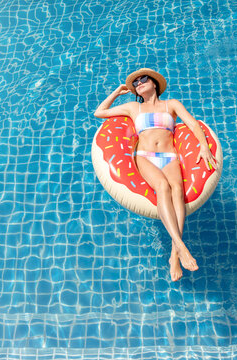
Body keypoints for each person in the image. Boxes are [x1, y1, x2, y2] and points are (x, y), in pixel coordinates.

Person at [94, 68, 218, 282]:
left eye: (143, 79)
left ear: (154, 83)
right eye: (136, 83)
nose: (139, 83)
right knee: (162, 187)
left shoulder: (172, 105)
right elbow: (100, 112)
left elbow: (191, 123)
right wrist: (116, 92)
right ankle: (180, 246)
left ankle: (173, 256)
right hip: (145, 156)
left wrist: (204, 146)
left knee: (177, 191)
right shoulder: (134, 107)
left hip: (169, 156)